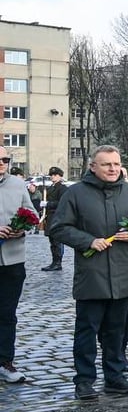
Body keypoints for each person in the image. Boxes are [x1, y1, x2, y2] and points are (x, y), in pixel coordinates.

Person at [49, 145, 128, 400]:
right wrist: (88, 241)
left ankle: (115, 376)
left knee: (116, 330)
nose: (112, 169)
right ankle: (84, 380)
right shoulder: (76, 193)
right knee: (87, 330)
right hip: (92, 273)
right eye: (106, 164)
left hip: (123, 270)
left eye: (116, 164)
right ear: (93, 167)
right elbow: (58, 227)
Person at [0, 146, 36, 384]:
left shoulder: (17, 184)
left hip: (13, 260)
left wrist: (23, 228)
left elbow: (31, 214)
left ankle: (5, 361)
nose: (1, 162)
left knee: (7, 314)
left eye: (5, 158)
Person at [40, 166, 67, 272]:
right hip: (50, 217)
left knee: (57, 241)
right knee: (52, 241)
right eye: (51, 175)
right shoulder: (51, 188)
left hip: (57, 217)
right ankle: (54, 262)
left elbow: (62, 203)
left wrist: (48, 204)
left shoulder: (63, 188)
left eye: (55, 175)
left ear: (60, 176)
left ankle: (58, 263)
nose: (52, 177)